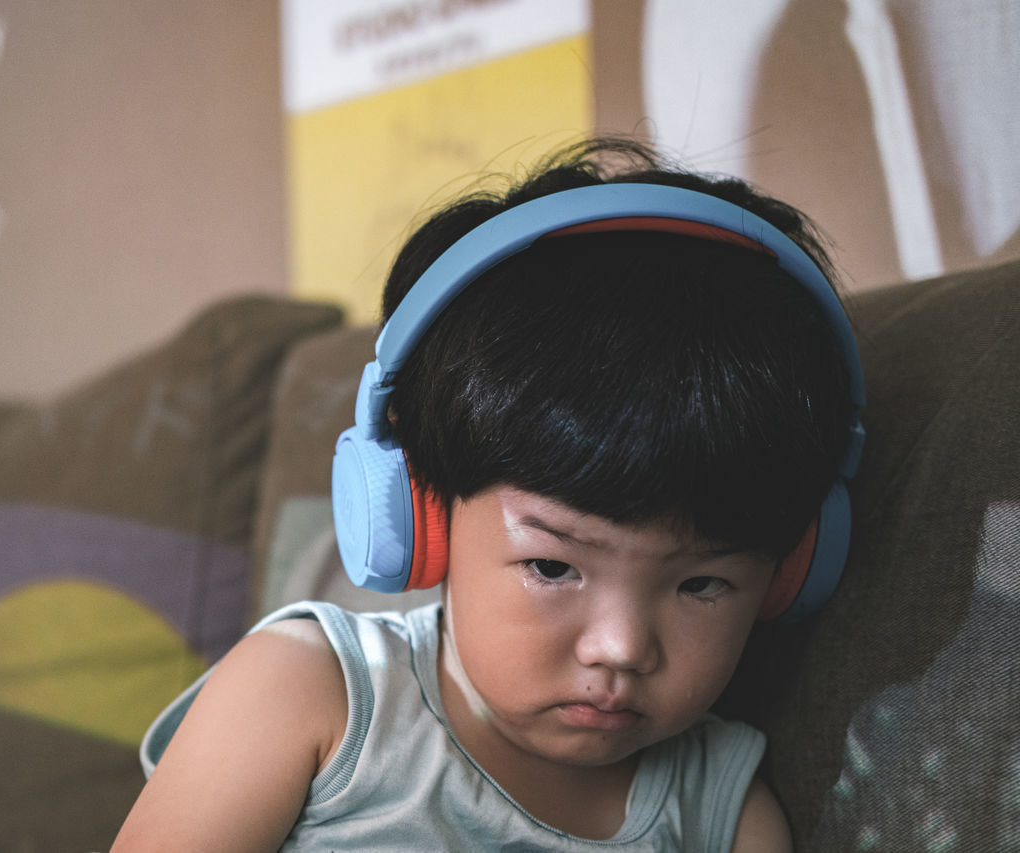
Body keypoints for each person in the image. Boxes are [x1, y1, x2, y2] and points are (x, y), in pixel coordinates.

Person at [110, 137, 863, 851]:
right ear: (421, 514)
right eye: (553, 566)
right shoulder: (308, 692)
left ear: (789, 571)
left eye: (702, 583)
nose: (621, 648)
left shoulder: (723, 815)